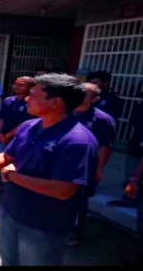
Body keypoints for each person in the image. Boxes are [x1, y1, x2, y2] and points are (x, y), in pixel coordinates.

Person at [0, 74, 99, 266]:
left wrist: (11, 175)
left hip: (43, 225)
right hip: (11, 212)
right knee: (8, 260)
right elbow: (6, 157)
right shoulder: (29, 126)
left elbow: (63, 190)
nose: (27, 98)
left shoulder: (77, 140)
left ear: (56, 102)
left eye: (33, 95)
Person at [70, 82, 116, 246]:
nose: (80, 96)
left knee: (79, 199)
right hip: (62, 163)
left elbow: (106, 146)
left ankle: (74, 233)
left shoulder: (102, 119)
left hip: (85, 167)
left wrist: (99, 169)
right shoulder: (67, 112)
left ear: (95, 99)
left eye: (85, 94)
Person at [0, 76, 36, 193]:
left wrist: (9, 134)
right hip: (4, 137)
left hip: (20, 139)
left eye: (21, 84)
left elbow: (25, 123)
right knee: (4, 160)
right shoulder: (8, 100)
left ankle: (14, 186)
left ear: (30, 87)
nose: (17, 86)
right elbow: (2, 118)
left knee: (17, 163)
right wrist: (0, 133)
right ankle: (3, 184)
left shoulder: (31, 103)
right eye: (16, 83)